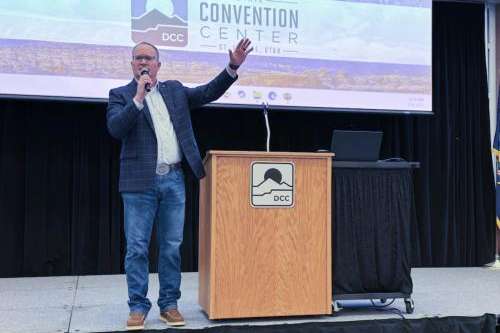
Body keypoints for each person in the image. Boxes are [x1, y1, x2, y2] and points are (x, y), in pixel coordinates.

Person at [106, 38, 253, 330]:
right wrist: (137, 98)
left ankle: (169, 305)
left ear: (159, 65)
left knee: (172, 246)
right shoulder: (120, 94)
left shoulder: (173, 90)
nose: (144, 62)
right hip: (138, 183)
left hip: (173, 179)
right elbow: (115, 129)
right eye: (139, 58)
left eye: (149, 58)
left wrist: (232, 66)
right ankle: (137, 307)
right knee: (136, 248)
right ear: (132, 65)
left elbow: (207, 92)